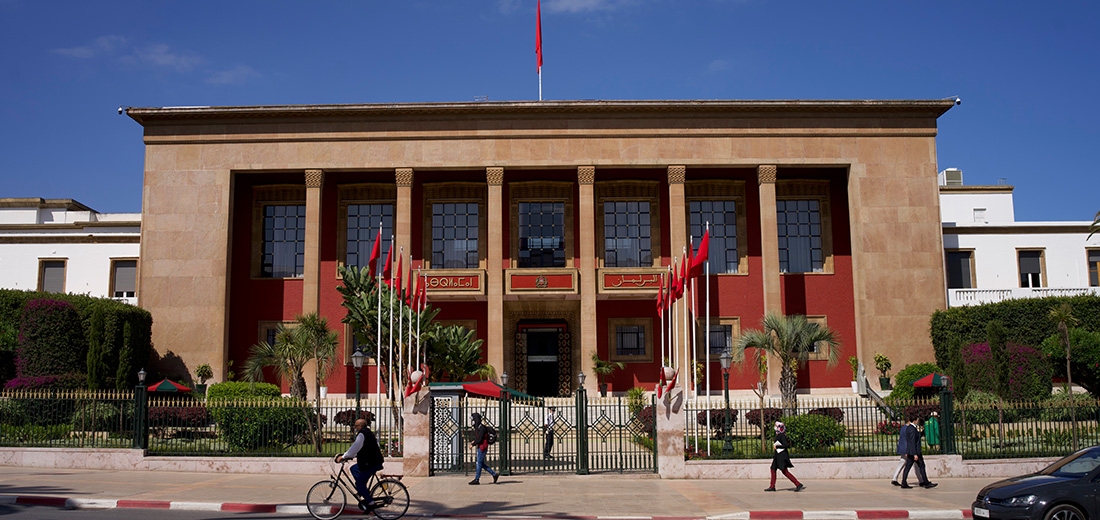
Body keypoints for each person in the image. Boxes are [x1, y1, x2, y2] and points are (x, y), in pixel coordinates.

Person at [335, 418, 385, 511]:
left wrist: (344, 457)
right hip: (371, 462)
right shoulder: (366, 433)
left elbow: (355, 448)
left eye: (356, 426)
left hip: (371, 463)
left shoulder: (362, 434)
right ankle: (363, 490)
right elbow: (362, 449)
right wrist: (349, 456)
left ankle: (370, 503)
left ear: (361, 426)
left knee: (359, 483)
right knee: (354, 469)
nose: (355, 427)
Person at [764, 421, 804, 492]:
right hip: (777, 455)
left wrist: (777, 446)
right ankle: (772, 486)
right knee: (773, 469)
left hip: (781, 456)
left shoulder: (782, 435)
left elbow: (785, 445)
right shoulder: (778, 435)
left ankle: (798, 484)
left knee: (785, 471)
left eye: (776, 426)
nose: (775, 427)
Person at [900, 415, 937, 489]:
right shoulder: (912, 429)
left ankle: (904, 482)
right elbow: (913, 442)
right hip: (915, 452)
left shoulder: (909, 428)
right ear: (914, 421)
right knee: (921, 466)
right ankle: (925, 482)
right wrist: (915, 454)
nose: (918, 422)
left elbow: (910, 441)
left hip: (911, 451)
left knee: (909, 467)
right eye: (917, 420)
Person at [469, 412, 499, 485]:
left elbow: (480, 439)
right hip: (481, 446)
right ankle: (494, 474)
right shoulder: (478, 427)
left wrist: (473, 444)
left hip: (483, 447)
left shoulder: (481, 427)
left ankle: (477, 479)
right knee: (480, 463)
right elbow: (479, 437)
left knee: (479, 463)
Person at [890, 419, 909, 486]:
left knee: (902, 463)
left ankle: (894, 478)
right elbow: (906, 441)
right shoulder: (906, 428)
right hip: (906, 449)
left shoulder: (903, 428)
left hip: (903, 449)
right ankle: (922, 480)